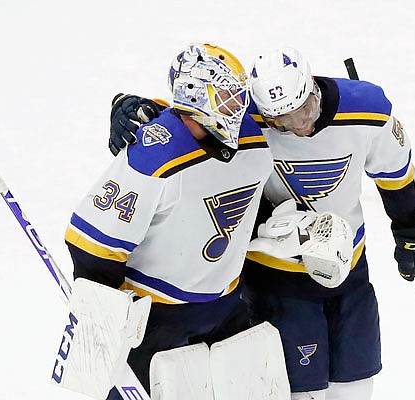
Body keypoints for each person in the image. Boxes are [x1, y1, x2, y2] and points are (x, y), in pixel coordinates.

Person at [107, 47, 415, 400]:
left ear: (312, 86)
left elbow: (394, 171)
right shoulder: (243, 117)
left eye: (305, 110)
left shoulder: (367, 109)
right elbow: (189, 115)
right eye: (283, 123)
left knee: (355, 388)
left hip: (350, 274)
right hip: (275, 281)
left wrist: (410, 228)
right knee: (299, 393)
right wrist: (132, 106)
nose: (301, 127)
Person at [65, 43, 273, 398]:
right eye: (225, 96)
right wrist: (105, 314)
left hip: (227, 306)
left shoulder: (252, 135)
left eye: (237, 95)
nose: (238, 106)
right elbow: (95, 241)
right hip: (156, 317)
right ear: (195, 97)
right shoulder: (152, 155)